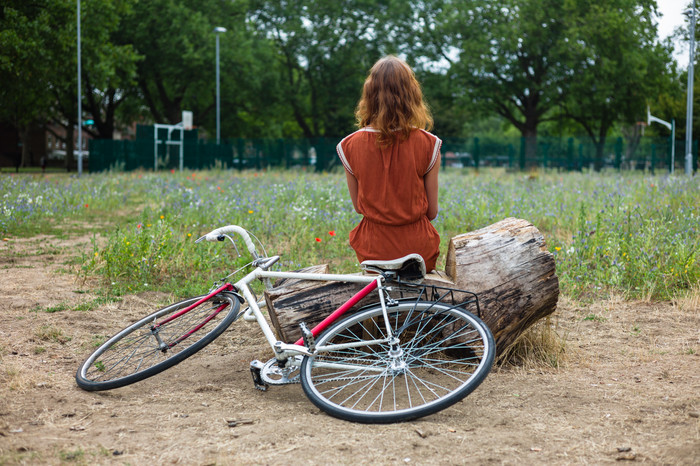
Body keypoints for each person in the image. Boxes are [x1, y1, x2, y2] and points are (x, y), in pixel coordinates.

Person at [336, 55, 441, 272]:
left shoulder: (348, 145)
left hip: (373, 252)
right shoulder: (430, 144)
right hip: (418, 253)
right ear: (412, 94)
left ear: (369, 94)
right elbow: (431, 212)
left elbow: (358, 207)